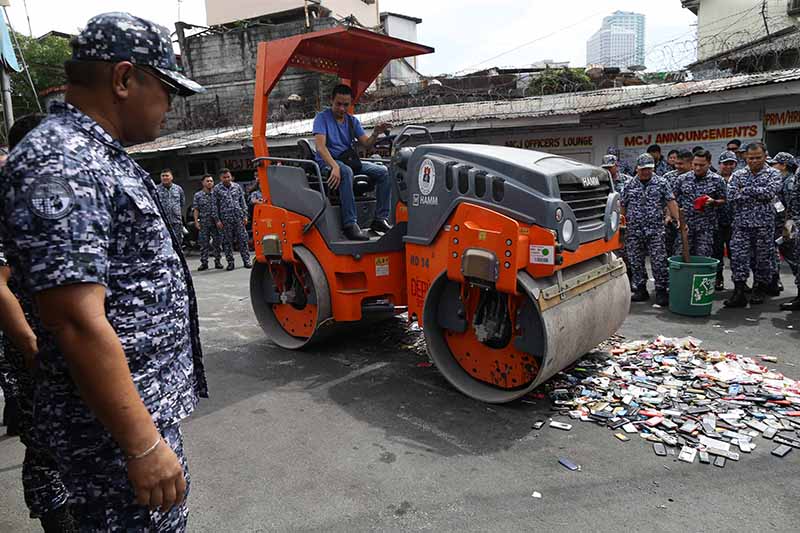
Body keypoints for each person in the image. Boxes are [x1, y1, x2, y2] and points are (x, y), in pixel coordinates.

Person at [0, 12, 208, 531]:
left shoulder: (97, 154)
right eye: (166, 90)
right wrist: (141, 444)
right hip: (109, 434)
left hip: (130, 415)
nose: (170, 108)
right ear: (123, 79)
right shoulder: (62, 161)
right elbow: (74, 319)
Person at [0, 113, 77, 532]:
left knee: (69, 434)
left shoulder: (46, 193)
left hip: (60, 340)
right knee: (45, 442)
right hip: (32, 347)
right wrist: (31, 347)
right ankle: (57, 519)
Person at [313, 84, 393, 241]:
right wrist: (334, 166)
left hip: (347, 161)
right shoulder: (322, 118)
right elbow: (320, 148)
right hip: (327, 163)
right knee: (346, 172)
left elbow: (367, 144)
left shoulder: (352, 121)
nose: (342, 108)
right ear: (331, 101)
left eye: (346, 105)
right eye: (338, 104)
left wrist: (376, 133)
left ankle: (379, 219)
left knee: (384, 172)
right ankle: (350, 224)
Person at [724, 142, 782, 308]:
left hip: (764, 225)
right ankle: (739, 291)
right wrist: (757, 192)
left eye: (758, 157)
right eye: (751, 158)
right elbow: (732, 196)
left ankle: (759, 288)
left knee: (762, 258)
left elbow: (770, 192)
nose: (754, 161)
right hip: (741, 225)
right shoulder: (738, 175)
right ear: (745, 157)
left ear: (765, 157)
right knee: (738, 258)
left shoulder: (773, 174)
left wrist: (746, 190)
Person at [621, 154, 680, 306]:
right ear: (637, 169)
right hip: (634, 230)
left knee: (659, 260)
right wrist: (621, 223)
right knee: (635, 260)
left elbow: (670, 201)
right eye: (643, 169)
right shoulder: (629, 184)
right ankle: (640, 289)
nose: (646, 172)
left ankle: (661, 290)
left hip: (655, 230)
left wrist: (677, 218)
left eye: (649, 169)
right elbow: (622, 204)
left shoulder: (661, 183)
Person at [671, 150, 727, 258]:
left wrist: (714, 202)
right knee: (681, 256)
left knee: (702, 258)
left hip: (705, 228)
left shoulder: (717, 180)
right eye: (695, 164)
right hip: (685, 227)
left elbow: (724, 200)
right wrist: (675, 218)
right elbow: (673, 200)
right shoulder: (682, 179)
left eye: (701, 165)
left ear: (709, 163)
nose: (697, 168)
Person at [769, 152, 798, 295]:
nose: (772, 166)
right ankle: (774, 282)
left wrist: (788, 229)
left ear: (784, 165)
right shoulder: (782, 180)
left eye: (775, 164)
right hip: (779, 224)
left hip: (787, 225)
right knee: (775, 253)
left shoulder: (789, 182)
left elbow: (790, 209)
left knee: (792, 255)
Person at [213, 168, 251, 270]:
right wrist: (217, 220)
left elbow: (242, 202)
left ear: (231, 177)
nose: (226, 179)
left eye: (228, 177)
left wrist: (245, 215)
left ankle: (246, 260)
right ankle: (230, 262)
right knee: (227, 242)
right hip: (225, 220)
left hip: (238, 217)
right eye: (224, 177)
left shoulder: (237, 187)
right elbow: (215, 206)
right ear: (220, 178)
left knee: (243, 240)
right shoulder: (216, 189)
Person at [662, 149, 694, 258]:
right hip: (670, 222)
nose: (677, 166)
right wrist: (668, 215)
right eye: (676, 163)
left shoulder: (696, 177)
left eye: (681, 164)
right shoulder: (668, 177)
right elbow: (666, 199)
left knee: (684, 253)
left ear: (691, 163)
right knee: (667, 252)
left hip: (690, 222)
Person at [714, 151, 738, 290]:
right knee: (716, 252)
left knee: (735, 253)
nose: (728, 166)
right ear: (720, 164)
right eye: (725, 164)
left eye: (731, 163)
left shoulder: (739, 178)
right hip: (716, 222)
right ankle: (718, 278)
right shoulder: (714, 179)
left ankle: (738, 281)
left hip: (734, 223)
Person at [193, 174, 223, 271]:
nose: (209, 182)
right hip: (204, 222)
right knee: (204, 243)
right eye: (207, 181)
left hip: (216, 222)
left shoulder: (217, 194)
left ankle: (218, 261)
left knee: (217, 243)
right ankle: (204, 263)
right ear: (203, 183)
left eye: (211, 181)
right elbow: (196, 209)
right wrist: (196, 221)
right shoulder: (198, 195)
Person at [155, 168, 185, 247]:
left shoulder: (178, 189)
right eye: (163, 176)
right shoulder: (156, 190)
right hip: (163, 221)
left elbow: (182, 203)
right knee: (164, 243)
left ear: (171, 177)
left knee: (178, 243)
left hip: (176, 221)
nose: (165, 177)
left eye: (167, 176)